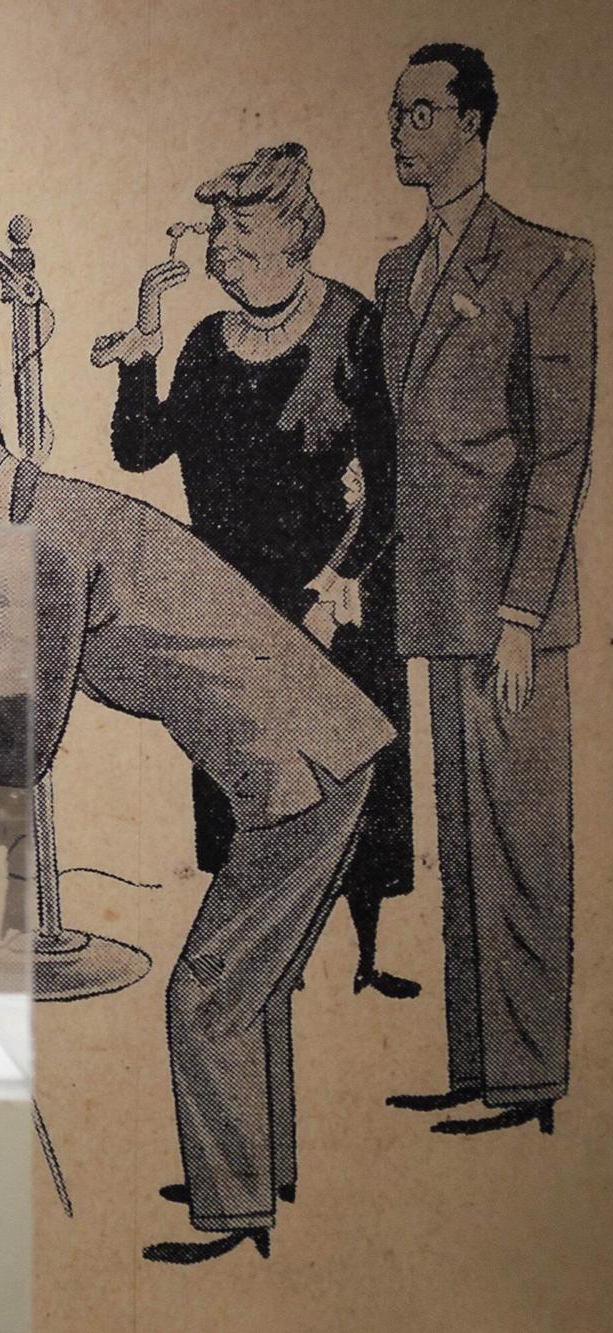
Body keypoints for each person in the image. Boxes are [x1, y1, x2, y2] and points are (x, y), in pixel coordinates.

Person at [0, 367, 392, 1265]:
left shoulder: (45, 540)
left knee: (207, 994)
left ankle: (234, 1211)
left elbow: (20, 753)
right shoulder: (46, 515)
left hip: (306, 771)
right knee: (255, 985)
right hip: (313, 756)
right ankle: (259, 1175)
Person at [93, 144, 418, 999]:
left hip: (330, 601)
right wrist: (141, 353)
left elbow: (390, 486)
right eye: (217, 231)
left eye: (239, 229)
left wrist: (340, 580)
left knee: (347, 779)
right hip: (230, 607)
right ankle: (272, 953)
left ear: (294, 235)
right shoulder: (204, 342)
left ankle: (367, 951)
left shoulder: (351, 328)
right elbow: (138, 450)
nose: (219, 247)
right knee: (247, 784)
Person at [375, 44, 595, 1137]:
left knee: (519, 841)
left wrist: (519, 616)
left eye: (419, 113)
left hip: (508, 612)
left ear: (471, 124)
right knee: (461, 845)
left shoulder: (548, 264)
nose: (400, 131)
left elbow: (559, 457)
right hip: (434, 603)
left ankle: (528, 1079)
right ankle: (476, 1064)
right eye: (394, 114)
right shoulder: (395, 270)